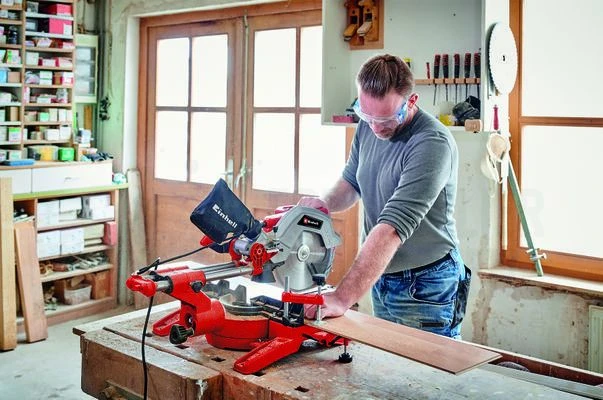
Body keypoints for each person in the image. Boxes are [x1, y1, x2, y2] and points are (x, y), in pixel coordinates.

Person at [299, 54, 471, 339]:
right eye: (367, 116)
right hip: (382, 274)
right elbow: (351, 181)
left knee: (427, 366)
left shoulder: (432, 143)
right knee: (390, 362)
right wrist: (324, 204)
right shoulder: (368, 126)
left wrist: (342, 297)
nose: (376, 127)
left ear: (411, 101)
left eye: (387, 118)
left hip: (426, 282)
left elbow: (392, 228)